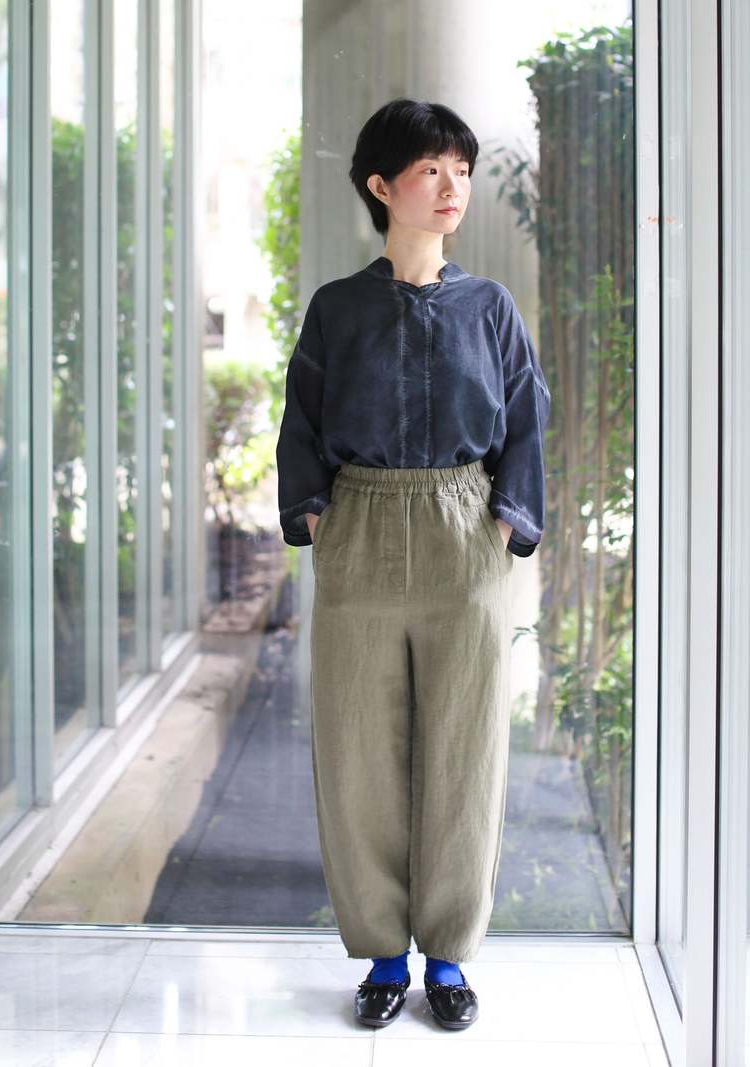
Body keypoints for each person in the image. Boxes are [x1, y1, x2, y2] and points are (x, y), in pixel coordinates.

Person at [275, 98, 550, 1030]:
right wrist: (317, 518)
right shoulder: (337, 308)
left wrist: (506, 524)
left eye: (460, 171)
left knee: (466, 751)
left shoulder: (489, 308)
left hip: (463, 531)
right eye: (431, 170)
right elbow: (301, 421)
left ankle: (449, 959)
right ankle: (384, 958)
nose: (451, 187)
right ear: (381, 186)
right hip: (360, 525)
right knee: (358, 750)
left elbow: (526, 419)